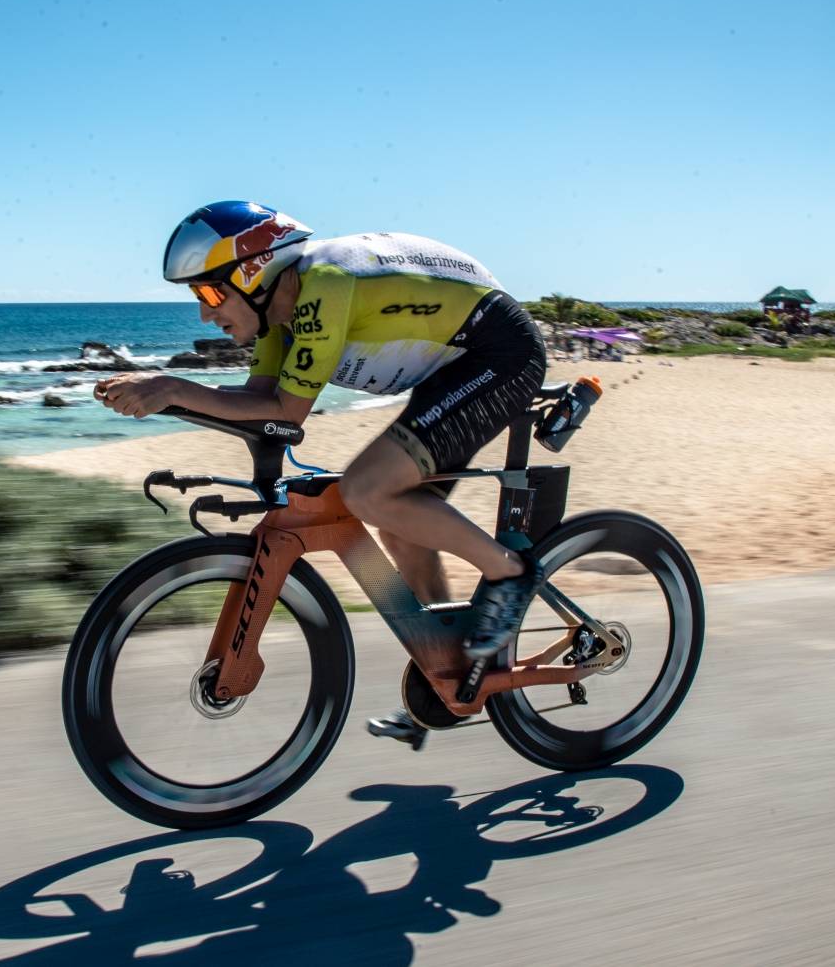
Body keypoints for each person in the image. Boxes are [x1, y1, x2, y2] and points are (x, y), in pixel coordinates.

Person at [95, 201, 549, 743]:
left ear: (253, 272)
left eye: (211, 293)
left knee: (366, 491)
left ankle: (509, 572)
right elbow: (261, 403)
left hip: (498, 355)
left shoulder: (323, 287)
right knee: (398, 525)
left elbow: (287, 413)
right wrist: (167, 394)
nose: (204, 313)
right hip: (449, 369)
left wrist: (172, 387)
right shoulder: (276, 322)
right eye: (198, 296)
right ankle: (446, 673)